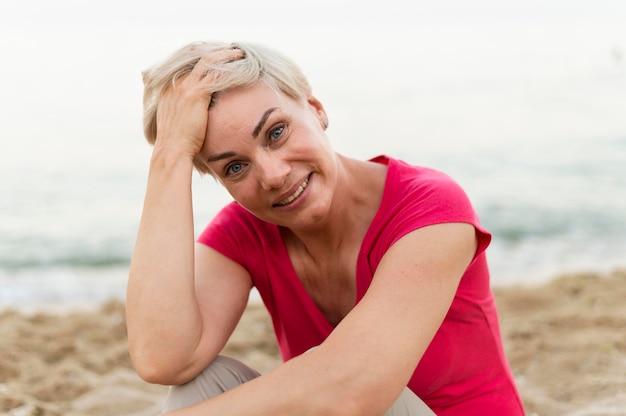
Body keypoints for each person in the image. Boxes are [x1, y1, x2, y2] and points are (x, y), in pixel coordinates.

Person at [126, 40, 525, 416]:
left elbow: (357, 386)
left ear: (316, 109)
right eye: (234, 167)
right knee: (202, 382)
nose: (273, 175)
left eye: (276, 132)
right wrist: (170, 155)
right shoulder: (244, 232)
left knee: (375, 387)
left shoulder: (429, 205)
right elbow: (162, 357)